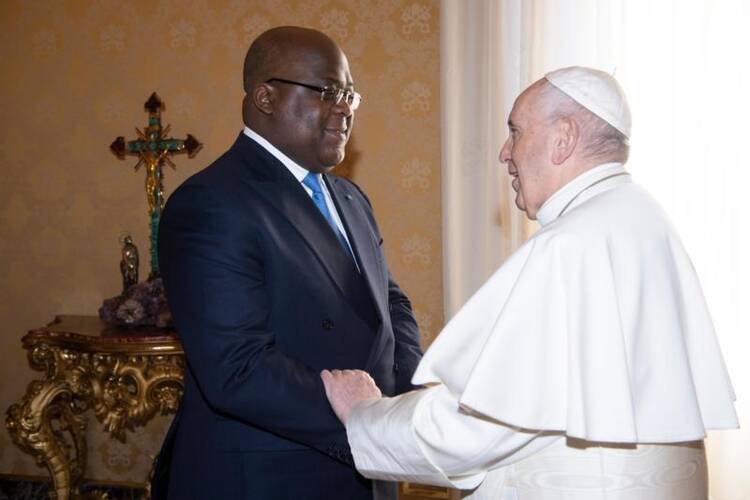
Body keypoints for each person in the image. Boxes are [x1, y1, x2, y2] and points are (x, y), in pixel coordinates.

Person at [320, 66, 739, 499]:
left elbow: (473, 432)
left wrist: (365, 413)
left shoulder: (571, 245)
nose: (505, 153)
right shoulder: (641, 219)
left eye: (516, 131)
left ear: (564, 138)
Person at [151, 26, 423, 500]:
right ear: (265, 97)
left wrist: (405, 406)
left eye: (350, 95)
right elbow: (237, 368)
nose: (344, 108)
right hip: (269, 478)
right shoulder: (210, 203)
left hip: (369, 465)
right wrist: (364, 420)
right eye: (327, 91)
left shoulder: (350, 197)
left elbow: (389, 305)